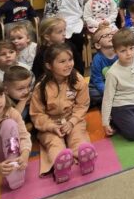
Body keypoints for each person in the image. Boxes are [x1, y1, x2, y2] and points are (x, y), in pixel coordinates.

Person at [30, 44, 97, 183]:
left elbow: (82, 105)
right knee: (54, 143)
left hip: (72, 119)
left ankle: (85, 158)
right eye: (62, 61)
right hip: (50, 123)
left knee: (78, 137)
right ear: (49, 66)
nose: (68, 64)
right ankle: (61, 165)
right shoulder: (41, 87)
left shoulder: (78, 80)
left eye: (70, 60)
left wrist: (72, 122)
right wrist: (51, 126)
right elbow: (37, 114)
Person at [43, 0, 86, 69]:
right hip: (60, 26)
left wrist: (83, 21)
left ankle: (78, 69)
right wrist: (57, 23)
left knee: (78, 47)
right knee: (65, 49)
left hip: (77, 24)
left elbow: (82, 9)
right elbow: (48, 15)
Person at [88, 22, 116, 104]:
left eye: (111, 34)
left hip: (114, 84)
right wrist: (108, 93)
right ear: (98, 45)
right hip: (99, 86)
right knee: (92, 93)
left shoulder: (119, 54)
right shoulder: (97, 59)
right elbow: (98, 81)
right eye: (105, 36)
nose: (110, 36)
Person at [33, 16, 68, 81]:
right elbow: (40, 77)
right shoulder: (42, 55)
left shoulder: (68, 47)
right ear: (47, 37)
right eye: (60, 32)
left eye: (64, 30)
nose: (64, 34)